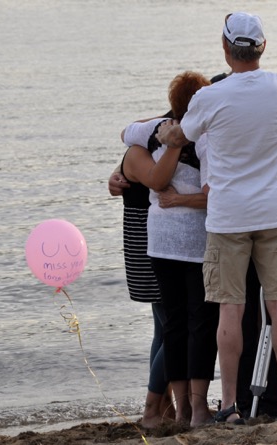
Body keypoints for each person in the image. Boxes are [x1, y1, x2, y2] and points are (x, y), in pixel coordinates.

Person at [156, 12, 277, 422]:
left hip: (227, 218)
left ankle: (228, 406)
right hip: (275, 213)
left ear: (225, 48)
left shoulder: (209, 97)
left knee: (230, 310)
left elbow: (181, 134)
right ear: (263, 47)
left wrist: (161, 133)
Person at [121, 71, 220, 426]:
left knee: (174, 325)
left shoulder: (156, 132)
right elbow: (213, 194)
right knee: (200, 324)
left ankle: (181, 411)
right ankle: (198, 409)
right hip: (195, 243)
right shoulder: (207, 138)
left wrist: (162, 126)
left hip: (160, 243)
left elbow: (126, 132)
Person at [107, 150, 174, 428]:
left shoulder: (142, 145)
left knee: (164, 328)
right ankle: (154, 407)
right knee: (175, 328)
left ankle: (164, 406)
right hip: (153, 235)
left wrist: (119, 171)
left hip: (148, 232)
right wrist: (119, 170)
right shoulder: (146, 143)